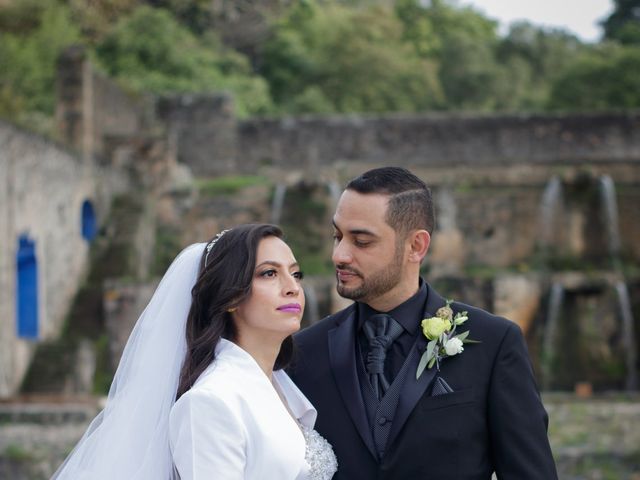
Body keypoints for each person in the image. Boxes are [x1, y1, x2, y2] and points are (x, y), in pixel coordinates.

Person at [289, 167, 557, 479]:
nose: (339, 255)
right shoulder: (303, 352)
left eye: (361, 241)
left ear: (416, 246)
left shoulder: (494, 344)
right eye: (337, 236)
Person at [52, 224, 337, 480]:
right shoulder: (210, 402)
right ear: (231, 296)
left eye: (296, 273)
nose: (292, 288)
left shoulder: (280, 384)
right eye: (269, 273)